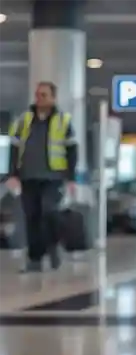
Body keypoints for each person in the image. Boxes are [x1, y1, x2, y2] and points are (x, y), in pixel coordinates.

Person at [6, 81, 77, 272]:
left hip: (53, 178)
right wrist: (12, 174)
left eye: (44, 95)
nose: (39, 98)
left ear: (53, 98)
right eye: (37, 94)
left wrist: (71, 177)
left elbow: (72, 150)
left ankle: (53, 246)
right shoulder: (24, 120)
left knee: (49, 212)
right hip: (28, 177)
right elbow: (13, 148)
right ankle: (35, 259)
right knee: (32, 217)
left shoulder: (63, 120)